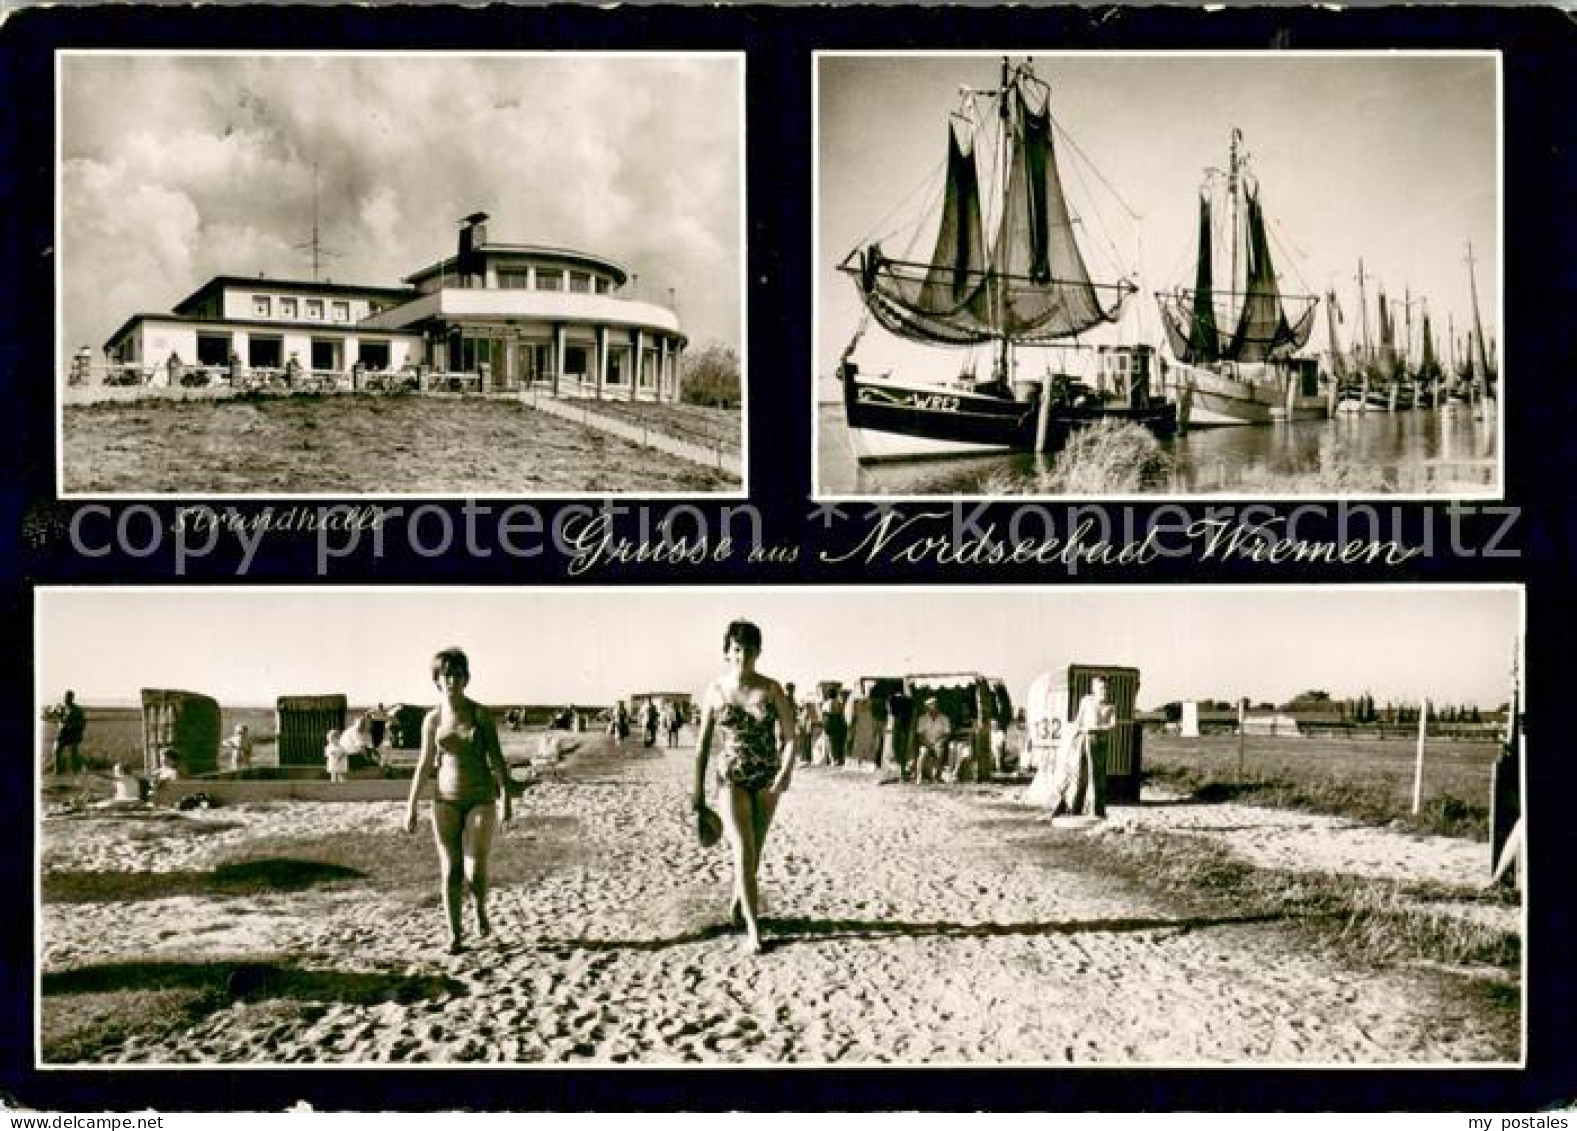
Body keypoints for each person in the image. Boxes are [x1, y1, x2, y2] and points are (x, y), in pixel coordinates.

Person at [692, 619, 796, 955]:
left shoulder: (772, 689)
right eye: (737, 649)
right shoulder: (715, 691)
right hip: (731, 778)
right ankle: (754, 930)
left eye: (749, 650)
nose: (743, 656)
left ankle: (739, 904)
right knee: (743, 851)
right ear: (727, 652)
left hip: (766, 779)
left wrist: (785, 774)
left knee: (754, 854)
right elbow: (703, 746)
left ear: (758, 653)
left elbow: (793, 738)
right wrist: (697, 793)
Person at [405, 647, 513, 954]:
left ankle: (479, 908)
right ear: (437, 680)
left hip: (480, 798)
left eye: (457, 674)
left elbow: (497, 759)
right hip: (444, 799)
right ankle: (455, 934)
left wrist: (505, 798)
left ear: (467, 678)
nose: (451, 680)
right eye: (445, 675)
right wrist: (410, 806)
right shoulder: (432, 719)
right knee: (450, 870)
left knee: (474, 869)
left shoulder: (480, 714)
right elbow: (424, 764)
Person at [1027, 677, 1117, 819]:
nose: (1104, 691)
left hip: (1098, 743)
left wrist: (1095, 728)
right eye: (1101, 688)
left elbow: (1113, 726)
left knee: (1096, 776)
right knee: (1077, 774)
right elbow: (1078, 720)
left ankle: (1097, 810)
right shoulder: (1086, 701)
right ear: (1094, 689)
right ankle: (1074, 807)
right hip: (1082, 740)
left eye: (1106, 688)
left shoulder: (1110, 707)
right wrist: (1073, 736)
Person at [914, 697, 952, 784]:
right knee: (923, 753)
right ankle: (919, 777)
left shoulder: (944, 718)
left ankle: (937, 776)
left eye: (935, 705)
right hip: (926, 743)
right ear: (926, 707)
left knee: (940, 752)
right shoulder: (922, 719)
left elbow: (947, 734)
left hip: (938, 742)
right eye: (930, 706)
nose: (933, 707)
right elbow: (920, 735)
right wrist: (928, 744)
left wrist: (939, 742)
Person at [51, 691, 87, 776]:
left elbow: (83, 723)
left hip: (72, 733)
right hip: (62, 732)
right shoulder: (61, 707)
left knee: (73, 753)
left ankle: (76, 771)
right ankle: (57, 771)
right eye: (65, 697)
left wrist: (77, 732)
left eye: (68, 697)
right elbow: (53, 715)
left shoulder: (77, 710)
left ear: (72, 698)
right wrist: (54, 713)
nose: (66, 699)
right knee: (56, 750)